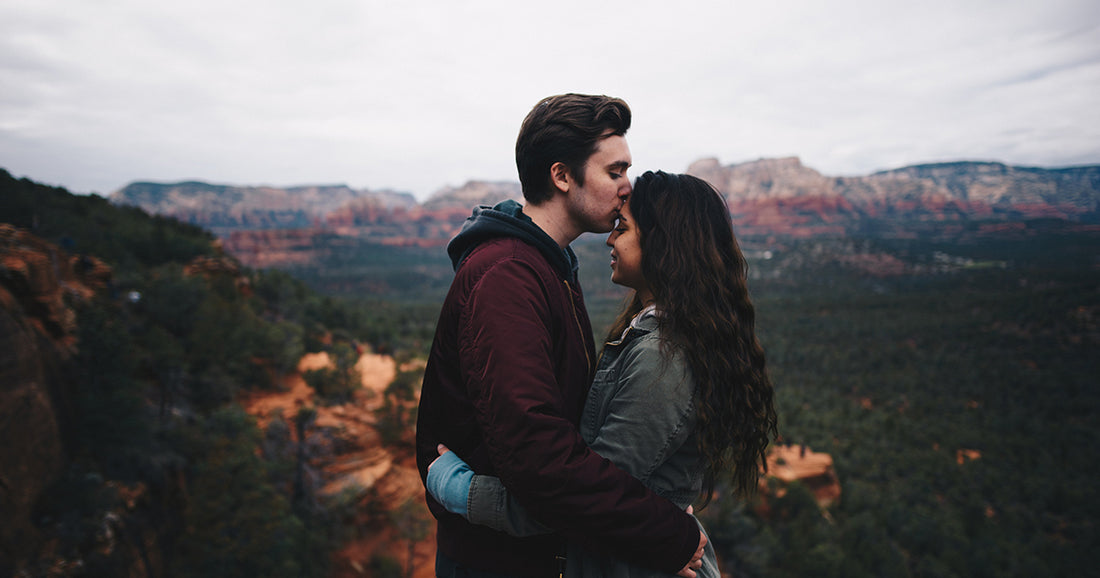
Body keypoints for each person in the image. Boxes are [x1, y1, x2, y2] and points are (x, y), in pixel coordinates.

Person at [426, 170, 779, 577]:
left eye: (623, 229)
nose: (610, 239)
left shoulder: (663, 361)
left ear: (665, 245)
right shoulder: (653, 335)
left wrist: (463, 491)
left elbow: (584, 498)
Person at [415, 96, 708, 578]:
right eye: (614, 171)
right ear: (562, 176)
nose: (626, 187)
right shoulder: (508, 275)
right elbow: (539, 455)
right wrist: (665, 531)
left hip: (534, 551)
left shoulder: (546, 266)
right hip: (497, 562)